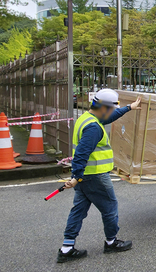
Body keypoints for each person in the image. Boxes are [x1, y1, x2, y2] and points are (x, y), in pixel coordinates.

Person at [57, 89, 141, 263]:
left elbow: (107, 118)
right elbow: (81, 154)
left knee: (78, 211)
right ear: (103, 107)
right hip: (94, 176)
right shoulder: (94, 128)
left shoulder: (86, 118)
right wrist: (75, 176)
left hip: (84, 177)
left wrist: (128, 108)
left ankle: (66, 248)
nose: (110, 113)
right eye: (110, 109)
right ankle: (111, 242)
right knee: (110, 207)